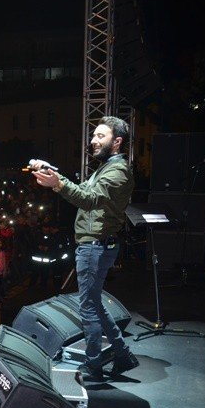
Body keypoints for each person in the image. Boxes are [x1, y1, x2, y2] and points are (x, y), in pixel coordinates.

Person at [30, 115, 139, 380]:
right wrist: (57, 177)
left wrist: (58, 183)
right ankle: (122, 354)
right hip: (96, 244)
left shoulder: (118, 171)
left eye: (101, 136)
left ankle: (93, 364)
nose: (93, 140)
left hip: (95, 246)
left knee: (88, 307)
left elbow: (89, 199)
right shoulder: (105, 169)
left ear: (117, 142)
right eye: (93, 136)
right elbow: (83, 191)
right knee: (94, 303)